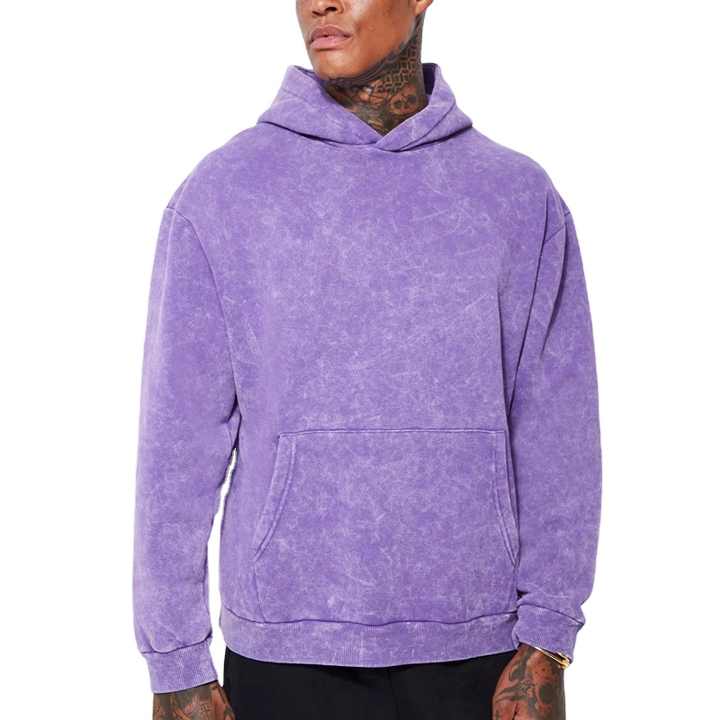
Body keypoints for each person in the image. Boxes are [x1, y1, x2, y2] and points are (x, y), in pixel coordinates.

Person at [132, 1, 602, 718]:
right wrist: (175, 663)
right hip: (286, 652)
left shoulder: (515, 197)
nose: (319, 3)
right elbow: (177, 447)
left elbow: (558, 433)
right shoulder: (226, 193)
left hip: (482, 651)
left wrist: (550, 637)